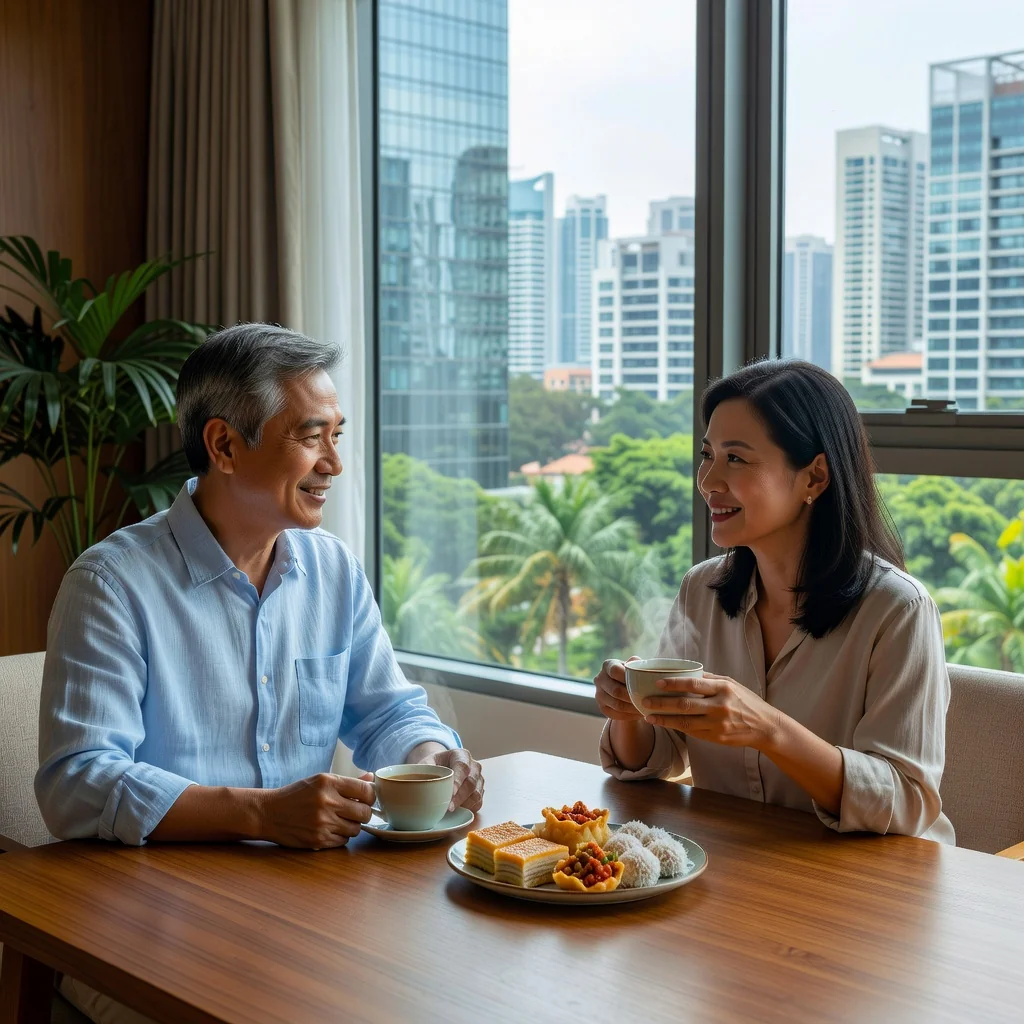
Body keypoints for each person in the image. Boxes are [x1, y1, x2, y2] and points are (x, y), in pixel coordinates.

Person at [37, 323, 485, 1021]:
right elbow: (76, 782)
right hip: (148, 924)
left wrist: (434, 759)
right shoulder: (112, 583)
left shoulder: (332, 568)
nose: (335, 463)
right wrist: (260, 814)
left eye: (338, 435)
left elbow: (389, 712)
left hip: (306, 905)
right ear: (223, 446)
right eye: (312, 437)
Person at [595, 359, 954, 843]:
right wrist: (630, 714)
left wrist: (768, 729)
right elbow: (661, 755)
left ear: (814, 478)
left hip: (874, 889)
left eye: (736, 459)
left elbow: (907, 801)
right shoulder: (700, 591)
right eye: (708, 455)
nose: (708, 480)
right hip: (742, 870)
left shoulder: (897, 610)